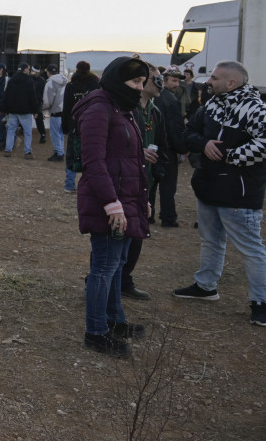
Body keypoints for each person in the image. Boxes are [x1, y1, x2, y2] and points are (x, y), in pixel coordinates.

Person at [174, 61, 266, 326]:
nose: (208, 82)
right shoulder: (211, 106)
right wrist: (204, 143)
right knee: (211, 241)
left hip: (239, 195)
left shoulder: (255, 109)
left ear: (231, 83)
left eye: (215, 79)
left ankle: (261, 303)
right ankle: (205, 286)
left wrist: (232, 156)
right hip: (208, 187)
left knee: (252, 249)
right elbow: (189, 133)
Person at [73, 56, 150, 357]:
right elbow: (94, 162)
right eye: (135, 82)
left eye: (143, 82)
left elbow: (132, 160)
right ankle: (96, 331)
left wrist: (140, 202)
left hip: (125, 199)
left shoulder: (123, 108)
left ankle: (115, 320)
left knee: (116, 265)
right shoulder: (99, 109)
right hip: (109, 201)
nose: (140, 88)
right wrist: (112, 204)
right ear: (119, 81)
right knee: (103, 267)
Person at [122, 67, 167, 301]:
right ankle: (103, 280)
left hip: (146, 182)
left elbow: (163, 144)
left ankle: (124, 279)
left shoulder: (154, 111)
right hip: (125, 181)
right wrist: (139, 152)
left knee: (138, 232)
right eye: (156, 78)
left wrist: (159, 172)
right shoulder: (124, 110)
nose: (161, 83)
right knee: (117, 233)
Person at [154, 68, 188, 226]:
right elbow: (174, 128)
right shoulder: (171, 100)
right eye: (174, 80)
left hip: (153, 146)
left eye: (178, 81)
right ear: (164, 80)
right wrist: (181, 147)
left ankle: (148, 214)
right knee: (167, 185)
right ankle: (168, 217)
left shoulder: (154, 97)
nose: (177, 84)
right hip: (167, 148)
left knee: (151, 182)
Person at [62, 61, 100, 193]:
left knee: (72, 154)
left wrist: (65, 127)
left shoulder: (71, 86)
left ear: (76, 70)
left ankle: (69, 184)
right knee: (92, 154)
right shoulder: (96, 85)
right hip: (94, 124)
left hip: (75, 124)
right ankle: (89, 185)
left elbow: (67, 108)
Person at [2, 62, 39, 159]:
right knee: (27, 132)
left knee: (11, 130)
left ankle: (8, 149)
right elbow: (33, 97)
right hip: (25, 111)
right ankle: (27, 152)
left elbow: (6, 96)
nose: (29, 70)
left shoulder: (11, 81)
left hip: (13, 111)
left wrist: (5, 108)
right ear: (25, 70)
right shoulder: (29, 81)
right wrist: (35, 111)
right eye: (28, 68)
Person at [42, 64, 68, 161]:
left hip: (55, 112)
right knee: (61, 134)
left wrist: (44, 107)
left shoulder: (50, 83)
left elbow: (48, 100)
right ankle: (60, 151)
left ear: (48, 72)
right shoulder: (65, 81)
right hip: (64, 112)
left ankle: (59, 153)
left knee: (55, 133)